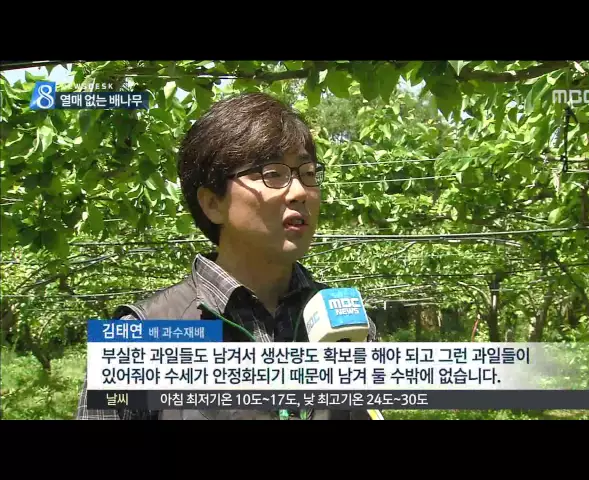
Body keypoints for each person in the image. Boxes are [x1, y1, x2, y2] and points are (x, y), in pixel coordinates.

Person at [76, 92, 377, 420]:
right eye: (272, 173)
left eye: (307, 172)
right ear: (212, 203)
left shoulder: (352, 327)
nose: (299, 191)